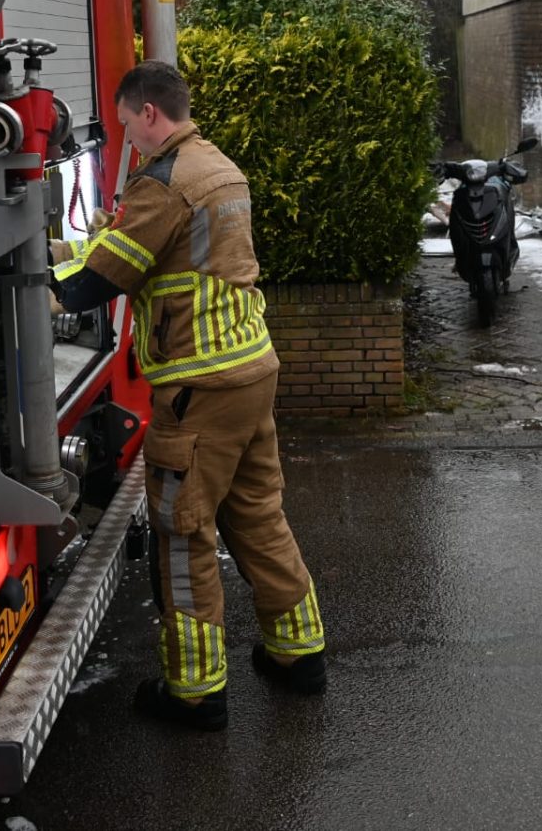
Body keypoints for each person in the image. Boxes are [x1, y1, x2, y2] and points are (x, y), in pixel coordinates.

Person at [50, 61, 326, 731]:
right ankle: (299, 654)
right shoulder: (217, 166)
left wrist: (39, 272)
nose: (126, 146)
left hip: (198, 386)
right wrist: (81, 247)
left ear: (150, 113)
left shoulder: (167, 182)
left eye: (126, 129)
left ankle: (195, 693)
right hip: (250, 368)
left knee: (183, 532)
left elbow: (96, 282)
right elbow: (161, 251)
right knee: (259, 515)